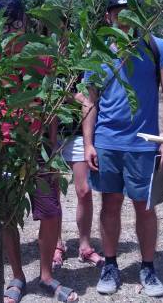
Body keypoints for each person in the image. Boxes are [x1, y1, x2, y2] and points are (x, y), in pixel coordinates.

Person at [83, 0, 163, 297]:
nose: (123, 18)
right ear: (108, 16)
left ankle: (148, 267)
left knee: (145, 207)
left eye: (129, 12)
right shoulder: (97, 53)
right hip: (108, 142)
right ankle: (110, 264)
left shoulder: (156, 46)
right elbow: (90, 101)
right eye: (117, 12)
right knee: (109, 205)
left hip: (144, 143)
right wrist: (88, 143)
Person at [0, 0, 77, 303]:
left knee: (50, 211)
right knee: (8, 215)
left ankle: (47, 277)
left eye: (16, 23)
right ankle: (16, 276)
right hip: (6, 149)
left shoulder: (42, 57)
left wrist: (52, 148)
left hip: (39, 149)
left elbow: (50, 108)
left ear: (25, 21)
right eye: (4, 25)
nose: (11, 31)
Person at [53, 89, 104, 270]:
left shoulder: (86, 66)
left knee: (84, 191)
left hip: (79, 134)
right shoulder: (46, 62)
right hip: (50, 134)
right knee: (53, 193)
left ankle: (85, 246)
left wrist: (75, 98)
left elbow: (89, 100)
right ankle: (56, 244)